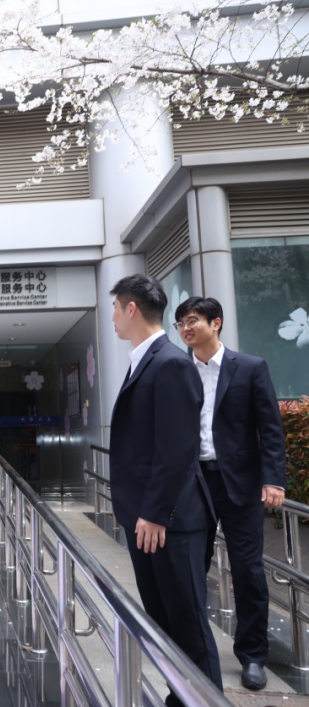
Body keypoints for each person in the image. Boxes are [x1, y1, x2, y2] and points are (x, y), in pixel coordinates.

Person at [108, 275, 222, 704]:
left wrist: (155, 512)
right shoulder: (145, 360)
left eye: (116, 308)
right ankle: (181, 696)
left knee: (188, 625)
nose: (113, 317)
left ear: (131, 309)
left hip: (171, 521)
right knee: (164, 623)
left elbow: (177, 449)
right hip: (148, 519)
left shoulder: (170, 363)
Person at [174, 296, 287, 690]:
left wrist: (274, 480)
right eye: (180, 324)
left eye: (192, 320)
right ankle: (193, 648)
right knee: (191, 567)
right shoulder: (177, 372)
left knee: (248, 570)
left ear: (216, 323)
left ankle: (253, 655)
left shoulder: (250, 368)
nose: (186, 329)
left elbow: (270, 428)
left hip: (241, 483)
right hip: (194, 482)